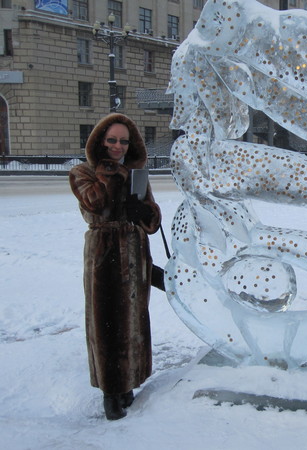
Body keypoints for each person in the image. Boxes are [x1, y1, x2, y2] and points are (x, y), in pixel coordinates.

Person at [70, 113, 162, 420]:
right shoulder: (82, 172)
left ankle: (129, 382)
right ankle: (111, 392)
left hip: (135, 254)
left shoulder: (137, 173)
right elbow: (95, 204)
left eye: (124, 141)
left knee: (134, 320)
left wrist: (144, 211)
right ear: (100, 141)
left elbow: (152, 221)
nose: (118, 146)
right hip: (104, 254)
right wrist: (111, 171)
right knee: (106, 322)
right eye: (112, 140)